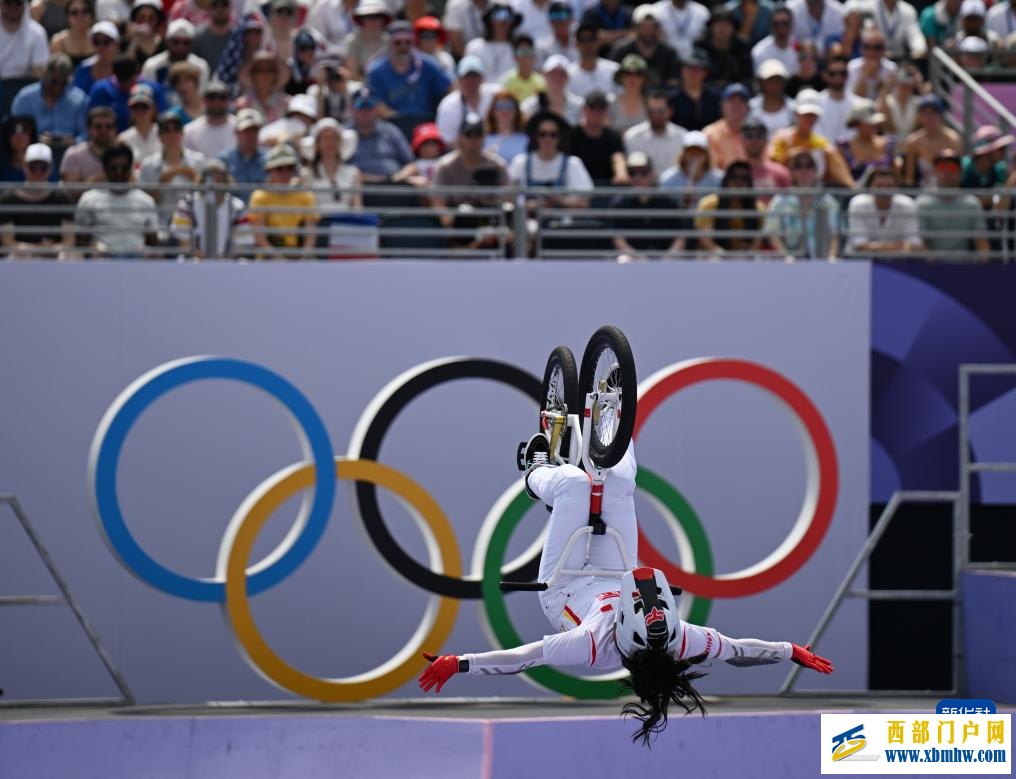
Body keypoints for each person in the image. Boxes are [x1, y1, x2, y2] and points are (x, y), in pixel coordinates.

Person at [418, 439, 833, 748]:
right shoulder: (680, 638)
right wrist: (789, 651)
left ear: (621, 627)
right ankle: (610, 425)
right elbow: (738, 651)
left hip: (564, 584)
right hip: (616, 569)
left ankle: (533, 471)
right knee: (619, 478)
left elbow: (522, 659)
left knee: (573, 485)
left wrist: (461, 664)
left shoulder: (590, 646)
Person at [75, 142, 160, 257]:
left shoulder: (145, 201)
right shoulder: (89, 200)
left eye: (124, 168)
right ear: (104, 169)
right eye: (113, 168)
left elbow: (153, 245)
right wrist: (93, 249)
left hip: (136, 263)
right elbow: (80, 243)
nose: (119, 173)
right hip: (101, 263)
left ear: (130, 169)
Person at [431, 111, 507, 225]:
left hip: (492, 225)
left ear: (484, 136)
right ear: (461, 137)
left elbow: (508, 199)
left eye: (478, 133)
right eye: (469, 134)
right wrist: (453, 224)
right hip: (459, 230)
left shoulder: (497, 165)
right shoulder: (445, 166)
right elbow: (438, 203)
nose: (474, 138)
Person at [765, 145, 840, 259]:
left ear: (815, 171)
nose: (804, 170)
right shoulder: (780, 200)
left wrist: (832, 255)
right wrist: (786, 257)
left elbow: (834, 234)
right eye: (798, 166)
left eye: (809, 165)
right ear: (792, 172)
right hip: (790, 262)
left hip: (822, 260)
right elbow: (773, 234)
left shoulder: (829, 201)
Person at [0, 143, 74, 257]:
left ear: (51, 169)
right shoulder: (9, 198)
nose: (38, 172)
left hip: (54, 255)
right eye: (33, 167)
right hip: (22, 256)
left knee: (71, 256)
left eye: (43, 168)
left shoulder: (63, 197)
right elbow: (8, 242)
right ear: (24, 167)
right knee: (17, 255)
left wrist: (52, 249)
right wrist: (37, 249)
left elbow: (69, 241)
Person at [770, 90, 854, 189]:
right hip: (784, 191)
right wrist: (792, 155)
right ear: (797, 114)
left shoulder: (822, 144)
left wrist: (850, 186)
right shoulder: (781, 138)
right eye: (806, 114)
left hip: (814, 193)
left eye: (813, 115)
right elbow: (772, 168)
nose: (809, 118)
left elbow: (837, 170)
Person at [367, 20, 452, 116]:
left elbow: (451, 88)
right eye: (397, 42)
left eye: (407, 42)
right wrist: (403, 122)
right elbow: (377, 105)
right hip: (392, 125)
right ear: (389, 43)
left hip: (426, 123)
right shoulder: (376, 71)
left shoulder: (428, 64)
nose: (403, 46)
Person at [508, 109, 593, 206]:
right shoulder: (521, 162)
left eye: (553, 135)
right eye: (542, 134)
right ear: (536, 136)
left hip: (562, 220)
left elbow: (583, 202)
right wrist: (531, 205)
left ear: (560, 137)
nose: (548, 139)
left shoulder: (572, 163)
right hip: (528, 220)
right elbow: (510, 198)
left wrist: (559, 200)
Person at [915, 149, 990, 259]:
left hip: (965, 268)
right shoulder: (922, 203)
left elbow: (982, 243)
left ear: (960, 173)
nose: (947, 171)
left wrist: (982, 269)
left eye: (952, 167)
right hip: (932, 269)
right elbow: (922, 244)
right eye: (941, 167)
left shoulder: (972, 204)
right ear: (934, 171)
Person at [248, 143, 319, 257]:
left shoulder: (306, 196)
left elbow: (310, 236)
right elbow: (260, 239)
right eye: (279, 168)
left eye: (289, 167)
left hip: (299, 259)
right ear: (269, 170)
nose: (285, 173)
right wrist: (279, 259)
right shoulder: (259, 197)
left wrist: (302, 258)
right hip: (268, 261)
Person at [170, 157, 250, 258]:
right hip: (193, 262)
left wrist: (222, 262)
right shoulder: (186, 205)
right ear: (201, 179)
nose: (214, 181)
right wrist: (205, 262)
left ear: (226, 180)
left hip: (228, 264)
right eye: (209, 176)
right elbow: (184, 243)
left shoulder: (238, 208)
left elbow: (241, 244)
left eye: (219, 177)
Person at [609, 151, 683, 260]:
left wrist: (669, 258)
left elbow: (680, 237)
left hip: (666, 259)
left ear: (652, 173)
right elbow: (618, 239)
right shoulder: (619, 204)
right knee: (623, 261)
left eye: (643, 172)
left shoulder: (669, 202)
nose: (638, 177)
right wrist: (638, 258)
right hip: (633, 258)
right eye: (632, 173)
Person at [138, 110, 205, 223]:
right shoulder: (147, 165)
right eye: (166, 130)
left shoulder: (199, 161)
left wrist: (196, 180)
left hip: (193, 225)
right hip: (160, 225)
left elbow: (207, 198)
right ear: (159, 135)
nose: (172, 135)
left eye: (176, 129)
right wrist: (161, 185)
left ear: (182, 132)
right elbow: (144, 204)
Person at [12, 53, 88, 151]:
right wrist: (36, 140)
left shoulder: (79, 99)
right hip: (33, 152)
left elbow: (86, 133)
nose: (58, 87)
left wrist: (74, 141)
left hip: (70, 152)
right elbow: (16, 132)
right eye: (54, 82)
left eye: (63, 83)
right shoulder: (24, 99)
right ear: (44, 74)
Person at [846, 164, 922, 255]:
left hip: (897, 262)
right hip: (859, 262)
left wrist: (908, 247)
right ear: (870, 187)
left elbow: (914, 242)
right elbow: (859, 244)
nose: (883, 190)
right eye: (879, 186)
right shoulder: (858, 204)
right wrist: (894, 247)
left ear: (896, 187)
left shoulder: (908, 204)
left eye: (888, 186)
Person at [344, 86, 415, 182]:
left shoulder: (391, 131)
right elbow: (336, 167)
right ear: (351, 108)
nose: (365, 110)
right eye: (360, 105)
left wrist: (398, 177)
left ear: (377, 108)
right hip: (357, 188)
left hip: (392, 186)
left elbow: (411, 164)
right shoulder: (343, 134)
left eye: (370, 105)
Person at [694, 160, 764, 255]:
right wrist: (725, 257)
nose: (739, 182)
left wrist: (746, 255)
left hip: (745, 261)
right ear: (726, 180)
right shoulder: (708, 205)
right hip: (714, 259)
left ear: (749, 182)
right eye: (734, 177)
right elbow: (706, 242)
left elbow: (756, 246)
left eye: (744, 178)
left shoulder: (758, 209)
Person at [88, 52, 166, 133]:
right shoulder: (101, 90)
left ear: (137, 75)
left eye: (130, 81)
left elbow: (161, 118)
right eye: (122, 81)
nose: (127, 85)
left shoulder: (153, 89)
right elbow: (93, 122)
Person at [608, 4, 678, 88]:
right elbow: (614, 79)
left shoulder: (669, 52)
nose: (647, 31)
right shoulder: (621, 50)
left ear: (657, 29)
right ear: (636, 28)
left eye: (651, 27)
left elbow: (672, 81)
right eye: (643, 27)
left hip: (658, 97)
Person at [436, 55, 499, 144]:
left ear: (482, 78)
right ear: (459, 79)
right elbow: (447, 141)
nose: (471, 81)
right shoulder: (448, 105)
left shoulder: (496, 95)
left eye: (475, 76)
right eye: (467, 76)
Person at [901, 94, 962, 187]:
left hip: (948, 190)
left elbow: (958, 175)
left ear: (941, 115)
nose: (929, 116)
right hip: (922, 192)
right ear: (919, 116)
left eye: (934, 112)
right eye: (925, 112)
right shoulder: (913, 142)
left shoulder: (953, 139)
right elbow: (910, 178)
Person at [569, 90, 626, 185]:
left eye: (601, 108)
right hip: (577, 186)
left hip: (606, 188)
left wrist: (621, 173)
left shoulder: (613, 135)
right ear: (584, 109)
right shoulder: (572, 134)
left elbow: (618, 157)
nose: (597, 112)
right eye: (593, 107)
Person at [624, 89, 685, 176]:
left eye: (661, 111)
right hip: (643, 188)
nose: (656, 116)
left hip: (674, 188)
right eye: (651, 112)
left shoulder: (683, 137)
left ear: (670, 111)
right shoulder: (632, 137)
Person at [141, 19, 212, 92]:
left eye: (186, 43)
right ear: (167, 42)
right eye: (175, 42)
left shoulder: (200, 67)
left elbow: (201, 96)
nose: (180, 47)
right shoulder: (152, 66)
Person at [837, 98, 896, 183]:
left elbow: (895, 174)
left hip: (886, 194)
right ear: (857, 123)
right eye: (869, 122)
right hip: (854, 195)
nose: (873, 125)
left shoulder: (888, 144)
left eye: (875, 122)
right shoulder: (845, 147)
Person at [846, 0, 926, 59]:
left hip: (900, 58)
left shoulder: (909, 10)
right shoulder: (866, 7)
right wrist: (880, 49)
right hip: (874, 56)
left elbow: (915, 34)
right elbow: (867, 31)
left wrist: (919, 48)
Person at [218, 107, 266, 203]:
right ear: (236, 132)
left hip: (260, 214)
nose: (250, 135)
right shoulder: (224, 159)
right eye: (246, 131)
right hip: (232, 214)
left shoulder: (268, 160)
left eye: (254, 130)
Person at [60, 104, 116, 185]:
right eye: (98, 126)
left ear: (115, 129)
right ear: (88, 129)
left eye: (108, 126)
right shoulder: (74, 154)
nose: (103, 130)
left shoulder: (124, 154)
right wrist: (100, 178)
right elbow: (70, 194)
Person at [520, 54, 583, 124]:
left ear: (568, 77)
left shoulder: (579, 106)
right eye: (552, 74)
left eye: (561, 74)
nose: (557, 78)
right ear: (544, 75)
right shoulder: (529, 106)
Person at [667, 49, 720, 132]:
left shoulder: (715, 98)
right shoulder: (671, 99)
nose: (692, 72)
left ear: (705, 72)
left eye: (697, 68)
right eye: (688, 67)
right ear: (681, 70)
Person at [698, 7, 752, 87]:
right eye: (718, 24)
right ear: (711, 28)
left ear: (734, 28)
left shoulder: (742, 48)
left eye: (727, 25)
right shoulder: (701, 47)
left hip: (736, 93)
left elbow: (747, 78)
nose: (723, 29)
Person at [740, 116, 789, 201]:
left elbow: (789, 203)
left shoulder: (781, 173)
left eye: (759, 135)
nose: (754, 139)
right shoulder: (735, 173)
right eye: (749, 135)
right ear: (742, 140)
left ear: (766, 139)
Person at [183, 80, 237, 158]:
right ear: (203, 100)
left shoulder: (240, 129)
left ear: (228, 100)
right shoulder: (189, 132)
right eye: (212, 97)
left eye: (222, 97)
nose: (217, 102)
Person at [465, 3, 519, 81]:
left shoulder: (519, 48)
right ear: (489, 21)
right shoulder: (474, 47)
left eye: (508, 17)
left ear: (513, 22)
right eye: (498, 16)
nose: (503, 21)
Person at [703, 82, 750, 172]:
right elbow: (711, 169)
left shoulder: (755, 133)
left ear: (747, 107)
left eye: (741, 101)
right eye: (731, 100)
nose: (736, 105)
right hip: (720, 184)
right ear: (722, 106)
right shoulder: (710, 134)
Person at [660, 129, 722, 195]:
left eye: (699, 151)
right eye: (690, 151)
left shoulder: (719, 179)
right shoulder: (668, 180)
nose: (694, 156)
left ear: (706, 155)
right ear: (683, 154)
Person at [236, 51, 289, 125]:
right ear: (253, 76)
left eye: (269, 71)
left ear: (275, 75)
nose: (264, 75)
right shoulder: (243, 104)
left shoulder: (286, 103)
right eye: (260, 71)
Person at [567, 21, 618, 97]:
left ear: (598, 42)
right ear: (576, 44)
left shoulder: (614, 71)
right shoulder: (568, 74)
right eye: (583, 39)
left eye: (592, 39)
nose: (588, 44)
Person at [343, 0, 392, 80]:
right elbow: (353, 74)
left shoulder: (389, 40)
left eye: (377, 16)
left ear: (383, 19)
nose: (373, 21)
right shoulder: (353, 41)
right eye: (368, 17)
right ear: (361, 19)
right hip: (360, 85)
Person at [0, 0, 49, 79]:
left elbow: (40, 71)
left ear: (25, 5)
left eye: (18, 3)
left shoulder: (37, 33)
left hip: (25, 84)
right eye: (8, 2)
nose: (13, 7)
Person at [876, 62, 922, 144]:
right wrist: (889, 83)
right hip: (891, 146)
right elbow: (878, 111)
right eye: (901, 84)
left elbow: (931, 108)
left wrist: (919, 84)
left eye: (907, 84)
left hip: (912, 148)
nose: (904, 87)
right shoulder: (887, 101)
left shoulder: (918, 102)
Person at [814, 55, 857, 143]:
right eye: (832, 73)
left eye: (842, 73)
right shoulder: (815, 102)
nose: (838, 77)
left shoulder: (857, 104)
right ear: (824, 76)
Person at [846, 28, 896, 100]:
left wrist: (879, 80)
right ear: (861, 49)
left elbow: (891, 100)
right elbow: (852, 100)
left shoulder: (891, 69)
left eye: (877, 47)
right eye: (867, 47)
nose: (871, 52)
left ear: (883, 50)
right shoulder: (852, 67)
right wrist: (864, 76)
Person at [748, 59, 794, 136]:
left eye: (778, 80)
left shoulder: (793, 108)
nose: (774, 84)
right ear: (761, 82)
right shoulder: (751, 107)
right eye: (770, 80)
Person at [118, 83, 162, 162]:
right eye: (135, 107)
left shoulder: (165, 133)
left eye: (144, 107)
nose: (140, 111)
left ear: (153, 109)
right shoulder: (123, 139)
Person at [72, 20, 117, 95]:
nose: (101, 46)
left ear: (116, 44)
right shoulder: (83, 69)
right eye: (96, 41)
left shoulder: (124, 68)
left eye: (106, 41)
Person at [751, 6, 798, 77]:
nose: (780, 27)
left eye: (785, 23)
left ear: (791, 24)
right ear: (770, 25)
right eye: (776, 23)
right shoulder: (760, 51)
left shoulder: (800, 47)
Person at [609, 53, 649, 134]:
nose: (632, 78)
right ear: (621, 77)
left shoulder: (650, 104)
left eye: (638, 74)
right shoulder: (610, 103)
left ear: (644, 78)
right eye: (627, 73)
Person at [483, 89, 528, 163]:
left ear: (516, 111)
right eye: (500, 107)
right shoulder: (483, 140)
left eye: (509, 106)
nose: (505, 110)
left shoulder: (527, 139)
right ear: (493, 112)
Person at [500, 33, 545, 103]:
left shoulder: (542, 82)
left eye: (528, 52)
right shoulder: (506, 82)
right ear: (514, 56)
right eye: (521, 52)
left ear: (534, 56)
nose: (525, 56)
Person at [49, 0, 96, 67]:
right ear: (67, 17)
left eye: (84, 11)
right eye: (74, 12)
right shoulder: (58, 42)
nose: (80, 16)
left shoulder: (99, 38)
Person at [191, 0, 232, 74]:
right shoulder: (198, 36)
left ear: (230, 7)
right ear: (209, 9)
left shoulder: (238, 36)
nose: (220, 9)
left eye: (225, 4)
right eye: (215, 5)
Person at [536, 1, 577, 65]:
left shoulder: (582, 44)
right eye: (554, 17)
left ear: (571, 20)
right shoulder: (542, 48)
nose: (559, 22)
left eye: (563, 16)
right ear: (550, 22)